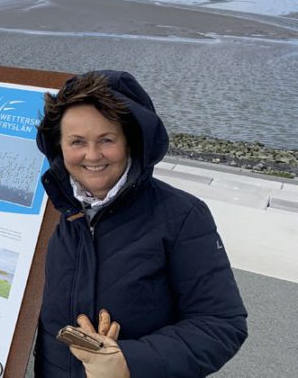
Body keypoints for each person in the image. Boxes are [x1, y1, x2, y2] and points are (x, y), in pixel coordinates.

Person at [33, 70, 247, 377]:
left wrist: (129, 361)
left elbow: (222, 324)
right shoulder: (52, 212)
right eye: (77, 141)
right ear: (59, 145)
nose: (92, 155)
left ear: (131, 140)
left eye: (107, 140)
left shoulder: (183, 216)